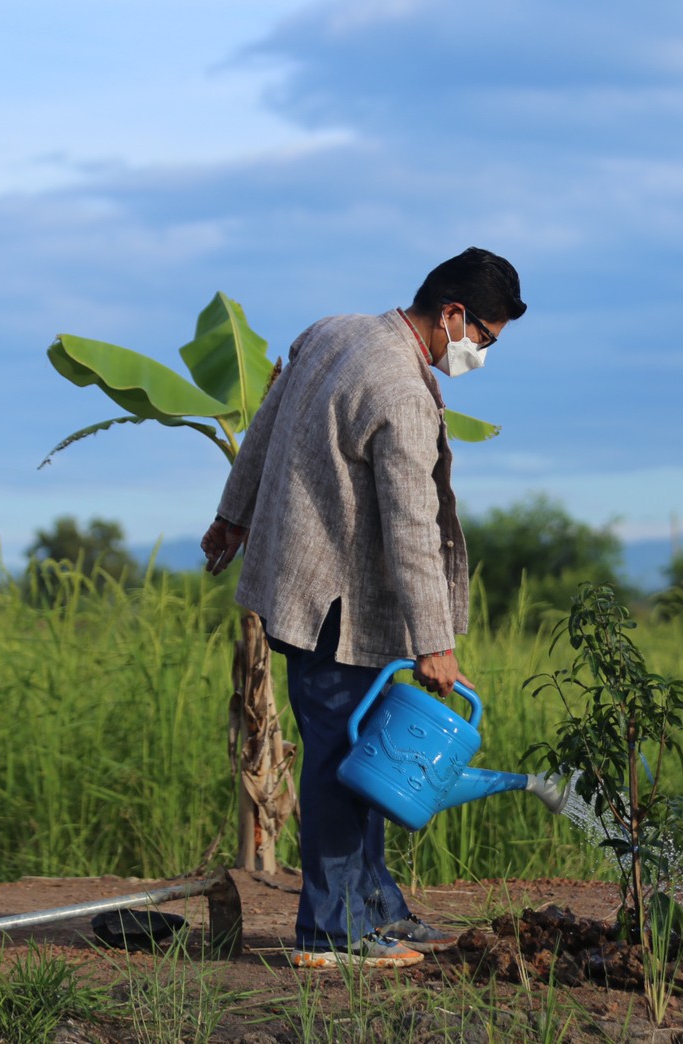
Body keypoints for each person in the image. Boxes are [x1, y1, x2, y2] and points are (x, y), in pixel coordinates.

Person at [199, 247, 526, 969]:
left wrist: (232, 515)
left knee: (363, 755)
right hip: (336, 606)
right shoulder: (402, 392)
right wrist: (436, 642)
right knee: (342, 761)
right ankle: (331, 934)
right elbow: (410, 528)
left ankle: (378, 909)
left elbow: (264, 424)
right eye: (485, 339)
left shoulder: (332, 331)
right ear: (452, 315)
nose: (480, 354)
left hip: (297, 586)